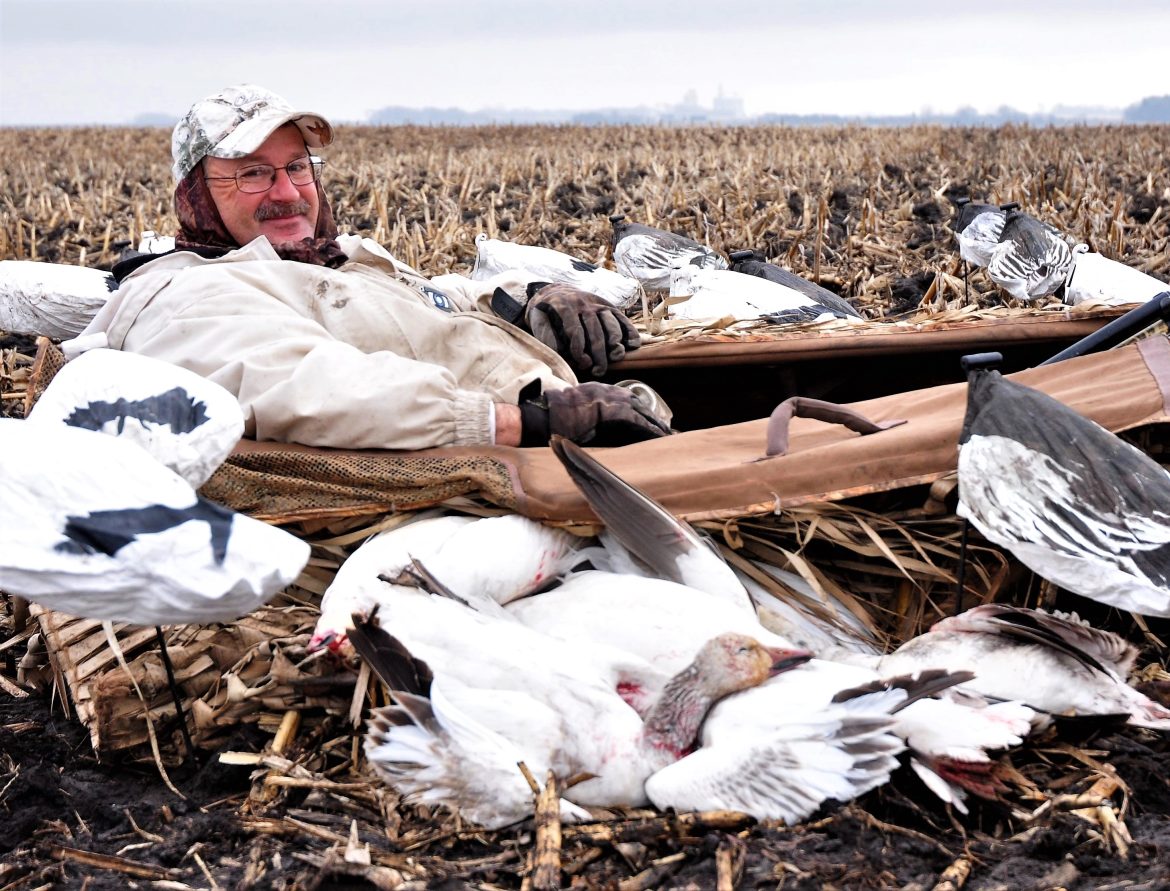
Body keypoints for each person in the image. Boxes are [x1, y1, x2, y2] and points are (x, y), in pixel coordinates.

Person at [71, 84, 669, 450]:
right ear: (196, 195)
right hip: (519, 469)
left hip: (580, 432)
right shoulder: (189, 293)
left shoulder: (341, 261)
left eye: (297, 167)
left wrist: (533, 298)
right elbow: (309, 389)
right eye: (252, 173)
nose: (286, 192)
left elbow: (437, 300)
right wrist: (527, 422)